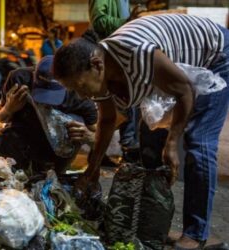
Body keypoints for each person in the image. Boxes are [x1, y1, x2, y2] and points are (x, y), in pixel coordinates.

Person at [53, 14, 229, 249]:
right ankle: (155, 224)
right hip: (177, 70)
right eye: (75, 91)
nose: (83, 96)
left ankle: (196, 233)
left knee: (198, 141)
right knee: (149, 144)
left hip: (216, 55)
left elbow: (184, 91)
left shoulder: (138, 53)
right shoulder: (103, 75)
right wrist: (92, 171)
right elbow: (107, 121)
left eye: (82, 86)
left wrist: (172, 142)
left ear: (97, 65)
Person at [0, 55, 97, 173]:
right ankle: (21, 169)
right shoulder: (19, 79)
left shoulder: (78, 94)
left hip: (57, 147)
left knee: (77, 121)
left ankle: (56, 170)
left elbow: (98, 135)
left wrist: (89, 137)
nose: (46, 101)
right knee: (1, 142)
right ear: (34, 75)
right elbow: (1, 117)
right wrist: (9, 109)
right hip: (24, 137)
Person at [89, 0, 142, 162]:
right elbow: (98, 22)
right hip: (113, 54)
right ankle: (126, 147)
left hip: (122, 52)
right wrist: (127, 22)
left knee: (125, 104)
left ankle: (100, 150)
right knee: (122, 103)